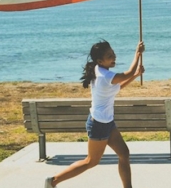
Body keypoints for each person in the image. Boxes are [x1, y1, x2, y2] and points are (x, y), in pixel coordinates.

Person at [45, 40, 145, 188]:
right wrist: (137, 54)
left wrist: (136, 75)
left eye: (113, 53)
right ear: (100, 60)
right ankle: (53, 181)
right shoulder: (105, 76)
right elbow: (127, 74)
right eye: (109, 55)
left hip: (107, 122)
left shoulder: (100, 70)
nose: (114, 57)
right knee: (91, 161)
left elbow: (118, 86)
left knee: (124, 153)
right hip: (98, 124)